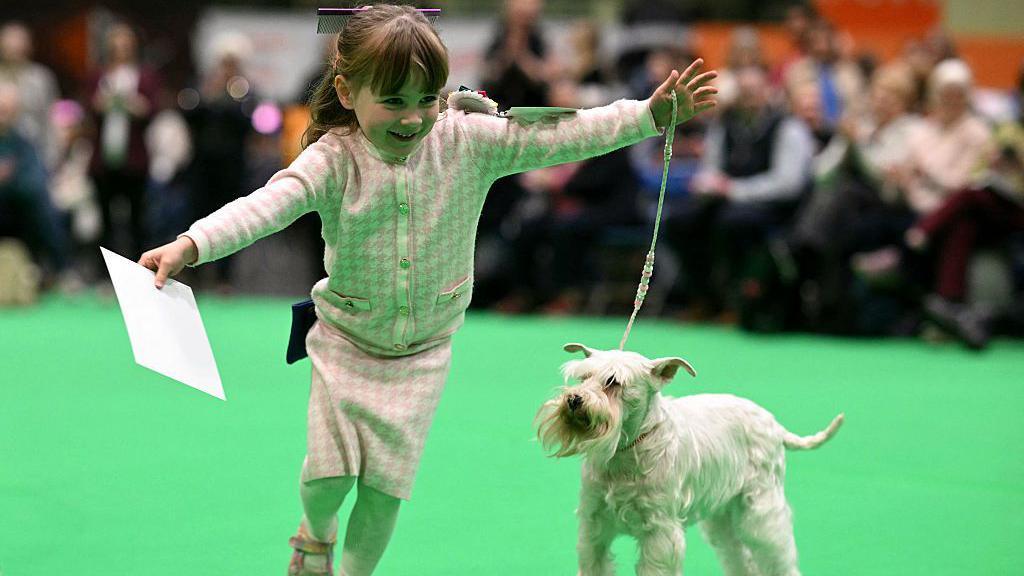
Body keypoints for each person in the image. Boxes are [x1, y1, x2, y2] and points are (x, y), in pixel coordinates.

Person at [135, 5, 718, 575]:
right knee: (327, 477)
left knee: (385, 491)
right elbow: (266, 205)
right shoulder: (332, 158)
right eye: (393, 101)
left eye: (426, 99)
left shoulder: (469, 140)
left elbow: (565, 135)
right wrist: (191, 244)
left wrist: (647, 115)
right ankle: (315, 533)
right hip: (345, 342)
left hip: (423, 354)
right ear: (346, 92)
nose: (413, 117)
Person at [86, 22, 161, 263]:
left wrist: (131, 103)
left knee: (137, 218)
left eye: (126, 45)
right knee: (104, 219)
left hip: (134, 159)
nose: (121, 50)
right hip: (103, 159)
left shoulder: (145, 76)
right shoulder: (98, 75)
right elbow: (89, 107)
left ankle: (140, 266)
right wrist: (103, 103)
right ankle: (104, 269)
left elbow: (152, 109)